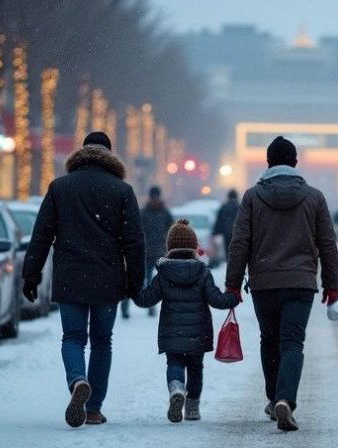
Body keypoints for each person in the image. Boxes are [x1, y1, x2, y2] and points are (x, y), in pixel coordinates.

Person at [22, 131, 145, 427]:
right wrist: (135, 281)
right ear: (110, 156)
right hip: (107, 277)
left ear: (81, 153)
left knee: (73, 337)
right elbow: (134, 241)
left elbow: (41, 236)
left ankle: (77, 380)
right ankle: (93, 408)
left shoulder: (60, 188)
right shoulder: (122, 191)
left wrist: (31, 274)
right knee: (102, 342)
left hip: (70, 277)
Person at [225, 136, 338, 432]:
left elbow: (240, 243)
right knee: (292, 343)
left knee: (269, 341)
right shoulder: (315, 197)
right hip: (301, 283)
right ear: (295, 164)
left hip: (264, 282)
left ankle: (274, 397)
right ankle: (285, 399)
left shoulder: (251, 197)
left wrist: (233, 284)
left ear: (267, 163)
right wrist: (332, 285)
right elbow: (327, 244)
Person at [132, 219, 239, 423]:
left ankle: (176, 388)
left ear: (169, 247)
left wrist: (133, 290)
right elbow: (216, 299)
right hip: (198, 334)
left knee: (175, 362)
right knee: (196, 368)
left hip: (172, 333)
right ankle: (191, 408)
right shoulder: (202, 272)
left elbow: (147, 299)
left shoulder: (163, 273)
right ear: (194, 247)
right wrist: (232, 298)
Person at [121, 186, 172, 319]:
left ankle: (149, 307)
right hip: (143, 252)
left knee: (149, 281)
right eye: (153, 197)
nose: (155, 199)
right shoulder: (148, 212)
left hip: (154, 251)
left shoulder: (161, 213)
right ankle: (126, 308)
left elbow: (170, 230)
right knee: (138, 280)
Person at [213, 189, 239, 262]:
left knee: (228, 251)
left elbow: (219, 220)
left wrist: (215, 232)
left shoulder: (224, 207)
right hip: (237, 233)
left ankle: (229, 264)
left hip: (226, 233)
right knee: (236, 251)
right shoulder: (239, 207)